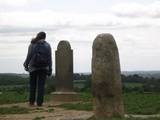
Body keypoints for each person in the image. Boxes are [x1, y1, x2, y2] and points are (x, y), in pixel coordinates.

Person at [23, 31, 52, 106]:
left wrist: (26, 65)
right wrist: (50, 69)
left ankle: (31, 102)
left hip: (33, 68)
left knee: (33, 85)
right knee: (41, 86)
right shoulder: (47, 45)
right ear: (45, 37)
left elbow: (29, 56)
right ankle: (39, 103)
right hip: (44, 68)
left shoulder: (32, 44)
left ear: (37, 36)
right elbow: (49, 58)